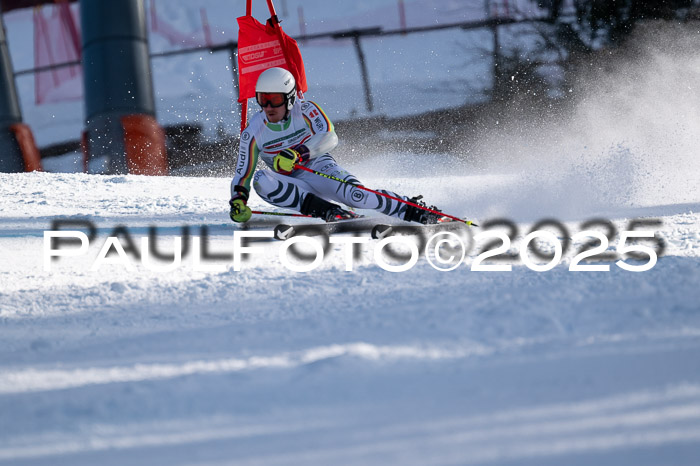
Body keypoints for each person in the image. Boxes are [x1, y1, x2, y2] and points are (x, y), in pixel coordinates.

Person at [229, 67, 443, 224]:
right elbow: (243, 174)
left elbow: (330, 137)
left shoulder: (306, 110)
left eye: (274, 99)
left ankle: (415, 210)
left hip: (320, 168)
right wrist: (238, 200)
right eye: (262, 99)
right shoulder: (253, 132)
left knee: (358, 196)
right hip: (293, 184)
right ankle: (328, 211)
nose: (268, 107)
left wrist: (298, 153)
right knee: (261, 181)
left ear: (290, 98)